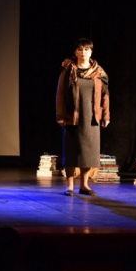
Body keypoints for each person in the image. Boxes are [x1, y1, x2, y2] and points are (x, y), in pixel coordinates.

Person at [55, 38, 110, 197]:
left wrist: (106, 115)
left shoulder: (98, 72)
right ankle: (70, 186)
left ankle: (84, 185)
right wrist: (60, 115)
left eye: (86, 49)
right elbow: (60, 93)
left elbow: (105, 95)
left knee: (89, 153)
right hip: (72, 116)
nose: (83, 52)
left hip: (92, 117)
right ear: (75, 52)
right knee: (71, 151)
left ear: (91, 52)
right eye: (80, 49)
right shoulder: (68, 69)